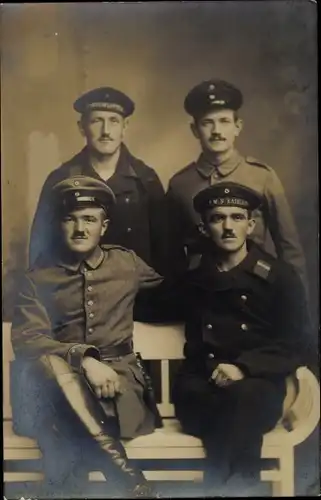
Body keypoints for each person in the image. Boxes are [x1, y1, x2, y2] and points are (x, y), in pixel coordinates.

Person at [11, 175, 164, 499]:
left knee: (59, 431)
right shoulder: (38, 276)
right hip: (54, 386)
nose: (80, 228)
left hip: (119, 387)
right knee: (50, 368)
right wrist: (85, 359)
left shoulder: (127, 264)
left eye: (89, 219)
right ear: (57, 224)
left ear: (104, 226)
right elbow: (27, 338)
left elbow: (178, 297)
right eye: (70, 219)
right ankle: (132, 483)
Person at [171, 182, 313, 496]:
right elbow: (147, 301)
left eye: (237, 217)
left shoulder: (278, 276)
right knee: (219, 407)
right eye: (217, 218)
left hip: (257, 386)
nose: (228, 226)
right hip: (200, 387)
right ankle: (239, 489)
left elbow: (299, 343)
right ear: (205, 228)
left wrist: (244, 368)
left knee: (241, 401)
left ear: (250, 225)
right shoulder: (194, 280)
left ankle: (220, 488)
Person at [166, 79, 308, 292]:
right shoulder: (180, 184)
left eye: (224, 121)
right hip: (202, 293)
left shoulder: (261, 177)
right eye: (207, 123)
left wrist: (298, 309)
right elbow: (171, 253)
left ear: (237, 127)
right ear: (195, 130)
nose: (216, 131)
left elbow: (290, 250)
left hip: (256, 290)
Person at [29, 86, 167, 275]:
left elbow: (168, 253)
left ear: (125, 126)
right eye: (96, 121)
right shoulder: (61, 179)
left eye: (113, 121)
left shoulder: (145, 180)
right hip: (76, 294)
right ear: (81, 127)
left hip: (136, 296)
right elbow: (40, 250)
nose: (106, 131)